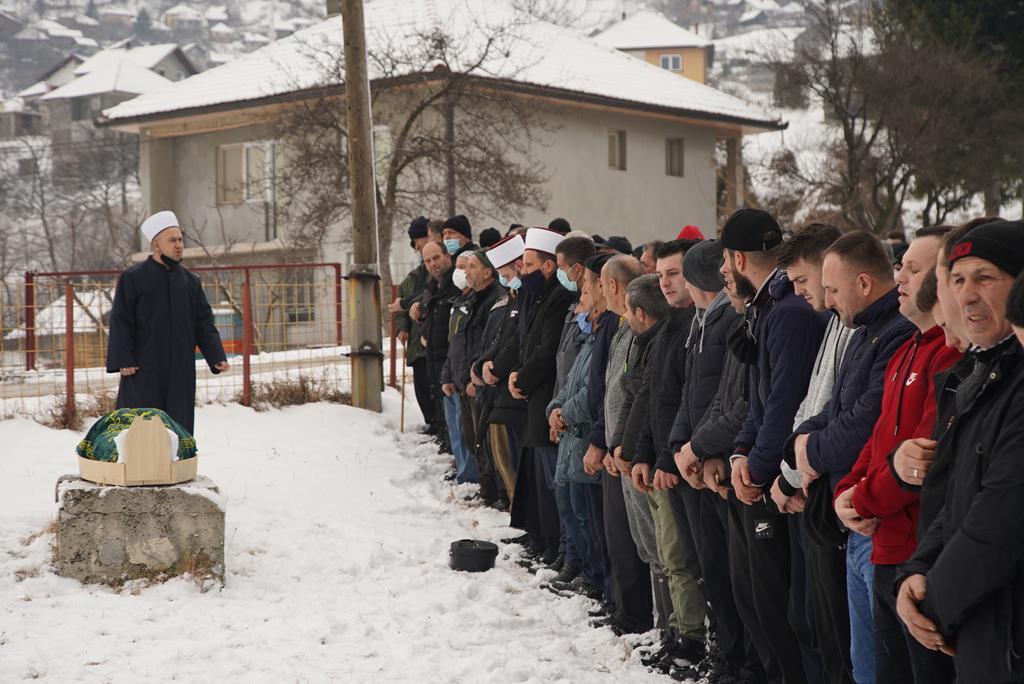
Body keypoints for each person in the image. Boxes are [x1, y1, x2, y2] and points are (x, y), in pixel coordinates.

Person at [897, 220, 1024, 684]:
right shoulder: (978, 376)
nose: (968, 294)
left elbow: (1000, 520)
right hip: (979, 631)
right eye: (957, 279)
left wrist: (931, 606)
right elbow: (951, 497)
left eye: (985, 277)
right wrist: (916, 570)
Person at [832, 227, 961, 683]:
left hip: (916, 552)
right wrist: (848, 491)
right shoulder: (908, 346)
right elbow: (880, 439)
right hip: (884, 547)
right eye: (900, 265)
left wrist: (863, 500)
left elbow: (920, 459)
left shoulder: (947, 354)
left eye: (913, 267)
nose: (899, 275)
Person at [790, 231, 916, 684]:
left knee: (876, 665)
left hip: (875, 519)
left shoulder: (896, 333)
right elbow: (832, 408)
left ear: (864, 283)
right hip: (850, 507)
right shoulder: (864, 330)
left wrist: (811, 454)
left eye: (833, 289)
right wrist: (801, 441)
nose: (825, 299)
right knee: (856, 656)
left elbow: (864, 425)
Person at [722, 208, 825, 684]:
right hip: (764, 469)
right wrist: (743, 454)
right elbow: (757, 399)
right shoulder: (769, 307)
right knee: (752, 595)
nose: (724, 272)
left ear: (738, 258)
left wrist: (759, 469)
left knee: (779, 604)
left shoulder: (787, 311)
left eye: (725, 261)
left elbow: (785, 404)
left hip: (785, 479)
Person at [769, 223, 850, 684]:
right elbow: (810, 407)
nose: (798, 291)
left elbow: (840, 417)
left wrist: (788, 477)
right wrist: (785, 471)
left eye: (802, 280)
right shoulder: (833, 321)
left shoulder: (838, 322)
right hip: (804, 485)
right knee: (810, 622)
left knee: (834, 636)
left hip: (825, 496)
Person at [627, 239, 708, 674]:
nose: (666, 282)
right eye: (660, 275)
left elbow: (685, 404)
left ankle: (692, 637)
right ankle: (678, 630)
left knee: (681, 558)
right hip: (662, 461)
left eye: (673, 273)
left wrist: (662, 460)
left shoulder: (693, 327)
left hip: (680, 465)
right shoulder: (670, 330)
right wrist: (642, 453)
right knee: (668, 554)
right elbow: (652, 398)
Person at [668, 238, 747, 680]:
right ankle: (728, 652)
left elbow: (728, 398)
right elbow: (691, 394)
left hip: (717, 465)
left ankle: (735, 656)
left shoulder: (724, 322)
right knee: (710, 569)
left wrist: (703, 449)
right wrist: (683, 446)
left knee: (725, 572)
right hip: (696, 460)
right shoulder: (701, 321)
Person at [492, 228, 575, 565]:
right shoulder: (536, 296)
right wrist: (515, 374)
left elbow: (547, 350)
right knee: (539, 481)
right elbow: (525, 344)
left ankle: (560, 549)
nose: (521, 272)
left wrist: (521, 378)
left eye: (527, 265)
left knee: (556, 486)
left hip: (546, 395)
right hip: (533, 397)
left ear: (547, 266)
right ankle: (546, 541)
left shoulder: (557, 298)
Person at [107, 211, 229, 436]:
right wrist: (124, 358)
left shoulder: (191, 282)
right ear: (156, 244)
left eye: (180, 239)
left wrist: (216, 355)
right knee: (140, 426)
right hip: (142, 369)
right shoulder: (133, 278)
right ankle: (138, 470)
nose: (178, 245)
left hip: (180, 370)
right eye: (172, 240)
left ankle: (177, 469)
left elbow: (203, 322)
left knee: (177, 427)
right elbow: (121, 321)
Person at [587, 255, 649, 635]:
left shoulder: (636, 326)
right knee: (619, 536)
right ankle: (624, 608)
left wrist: (618, 444)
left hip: (627, 450)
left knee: (637, 541)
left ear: (610, 285)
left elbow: (634, 393)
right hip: (615, 447)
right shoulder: (621, 326)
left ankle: (637, 616)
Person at [476, 235, 528, 509]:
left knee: (515, 463)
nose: (505, 281)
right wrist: (482, 364)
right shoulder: (510, 299)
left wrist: (494, 367)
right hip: (498, 391)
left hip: (514, 392)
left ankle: (518, 510)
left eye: (507, 274)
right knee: (503, 459)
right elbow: (496, 340)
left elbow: (518, 344)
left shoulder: (526, 300)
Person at [462, 250, 504, 505]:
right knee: (477, 439)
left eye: (472, 267)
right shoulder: (476, 299)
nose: (466, 272)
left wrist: (476, 372)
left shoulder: (494, 300)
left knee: (488, 442)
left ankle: (494, 493)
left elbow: (487, 343)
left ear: (488, 272)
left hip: (484, 380)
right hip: (474, 376)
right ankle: (488, 490)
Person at [391, 216, 438, 435]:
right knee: (421, 387)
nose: (417, 247)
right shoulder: (413, 277)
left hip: (435, 340)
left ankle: (440, 425)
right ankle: (431, 421)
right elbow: (401, 303)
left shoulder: (437, 271)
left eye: (418, 241)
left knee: (436, 387)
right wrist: (402, 328)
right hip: (417, 345)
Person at [439, 252, 478, 483]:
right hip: (453, 378)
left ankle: (471, 476)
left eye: (465, 267)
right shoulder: (457, 303)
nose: (460, 272)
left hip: (466, 380)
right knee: (456, 432)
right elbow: (451, 344)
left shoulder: (475, 303)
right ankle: (463, 472)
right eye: (458, 267)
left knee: (467, 434)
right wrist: (446, 375)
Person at [418, 241, 459, 455]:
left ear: (447, 257)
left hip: (450, 362)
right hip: (434, 361)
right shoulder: (432, 288)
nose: (433, 264)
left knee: (458, 420)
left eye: (436, 258)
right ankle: (448, 446)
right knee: (444, 414)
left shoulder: (456, 285)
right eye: (428, 261)